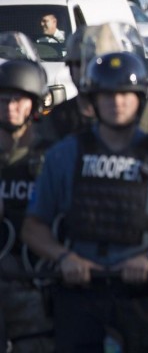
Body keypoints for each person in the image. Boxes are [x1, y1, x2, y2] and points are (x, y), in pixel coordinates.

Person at [21, 52, 148, 351]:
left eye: (125, 94)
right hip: (81, 295)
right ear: (93, 100)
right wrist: (63, 258)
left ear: (139, 99)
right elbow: (33, 227)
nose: (117, 102)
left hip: (145, 298)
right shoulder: (65, 155)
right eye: (108, 94)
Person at [35, 23, 148, 150]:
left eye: (94, 63)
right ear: (69, 67)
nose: (85, 70)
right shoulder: (56, 121)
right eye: (78, 63)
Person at [0, 59, 56, 352]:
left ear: (33, 105)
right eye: (3, 99)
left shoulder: (54, 156)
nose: (10, 107)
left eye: (19, 99)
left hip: (37, 279)